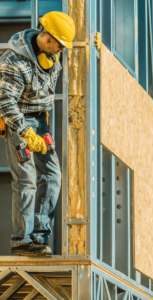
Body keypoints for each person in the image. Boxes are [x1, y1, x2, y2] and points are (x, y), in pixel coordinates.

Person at [0, 11, 75, 257]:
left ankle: (39, 238)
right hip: (19, 121)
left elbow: (46, 97)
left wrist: (43, 130)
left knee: (53, 176)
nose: (61, 51)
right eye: (60, 45)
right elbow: (4, 100)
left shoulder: (51, 59)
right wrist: (24, 131)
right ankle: (22, 241)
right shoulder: (14, 61)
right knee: (26, 180)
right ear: (48, 39)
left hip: (41, 123)